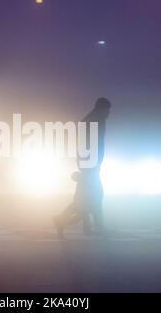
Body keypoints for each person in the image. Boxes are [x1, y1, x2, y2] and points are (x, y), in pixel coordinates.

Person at [54, 97, 111, 237]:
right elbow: (89, 144)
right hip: (90, 165)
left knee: (84, 199)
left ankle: (66, 221)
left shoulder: (91, 120)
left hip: (89, 164)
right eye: (107, 110)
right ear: (102, 109)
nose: (108, 114)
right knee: (95, 196)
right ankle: (96, 227)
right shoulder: (95, 121)